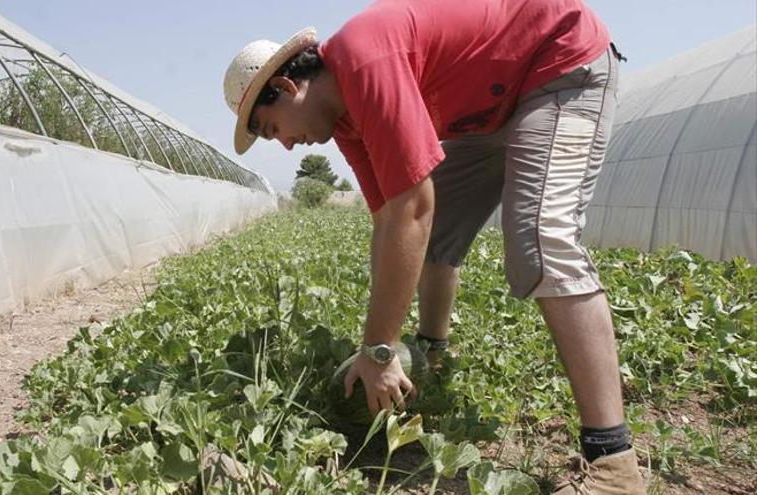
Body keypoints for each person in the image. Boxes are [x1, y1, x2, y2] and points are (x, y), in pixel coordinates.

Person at [223, 0, 645, 492]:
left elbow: (412, 210)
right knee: (429, 238)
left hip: (558, 62)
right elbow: (388, 221)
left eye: (275, 129)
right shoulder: (344, 120)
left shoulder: (363, 59)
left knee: (541, 240)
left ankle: (614, 463)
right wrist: (379, 345)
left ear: (286, 86)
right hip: (491, 113)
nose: (288, 146)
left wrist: (378, 351)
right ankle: (431, 357)